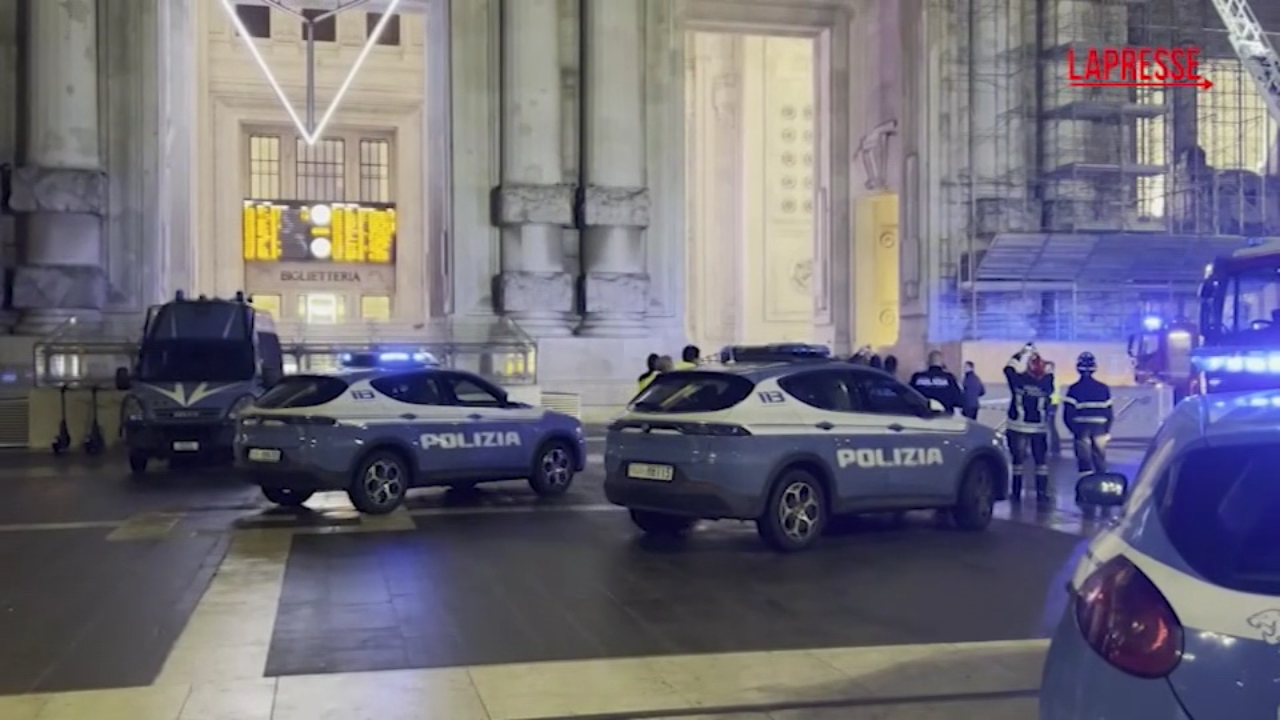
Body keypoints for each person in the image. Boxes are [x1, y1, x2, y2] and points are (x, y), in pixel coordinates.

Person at [1004, 343, 1055, 504]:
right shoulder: (1046, 384)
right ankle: (1042, 493)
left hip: (1017, 427)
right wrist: (1040, 358)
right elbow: (1050, 372)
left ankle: (1017, 493)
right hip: (1038, 428)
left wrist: (1022, 352)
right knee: (1041, 462)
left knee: (1017, 462)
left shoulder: (1018, 380)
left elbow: (1008, 369)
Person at [1063, 352, 1113, 475]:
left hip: (1081, 428)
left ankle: (1085, 485)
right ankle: (1102, 484)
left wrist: (1073, 430)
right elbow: (1109, 412)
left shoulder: (1074, 389)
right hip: (1100, 429)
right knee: (1100, 460)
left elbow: (1068, 414)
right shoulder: (1103, 388)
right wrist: (1107, 430)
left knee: (1084, 461)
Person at [1045, 361, 1062, 456]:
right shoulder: (1051, 379)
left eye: (1048, 368)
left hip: (1051, 404)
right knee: (1050, 426)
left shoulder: (1051, 379)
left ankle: (1055, 448)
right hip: (1051, 403)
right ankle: (1054, 448)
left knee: (1051, 426)